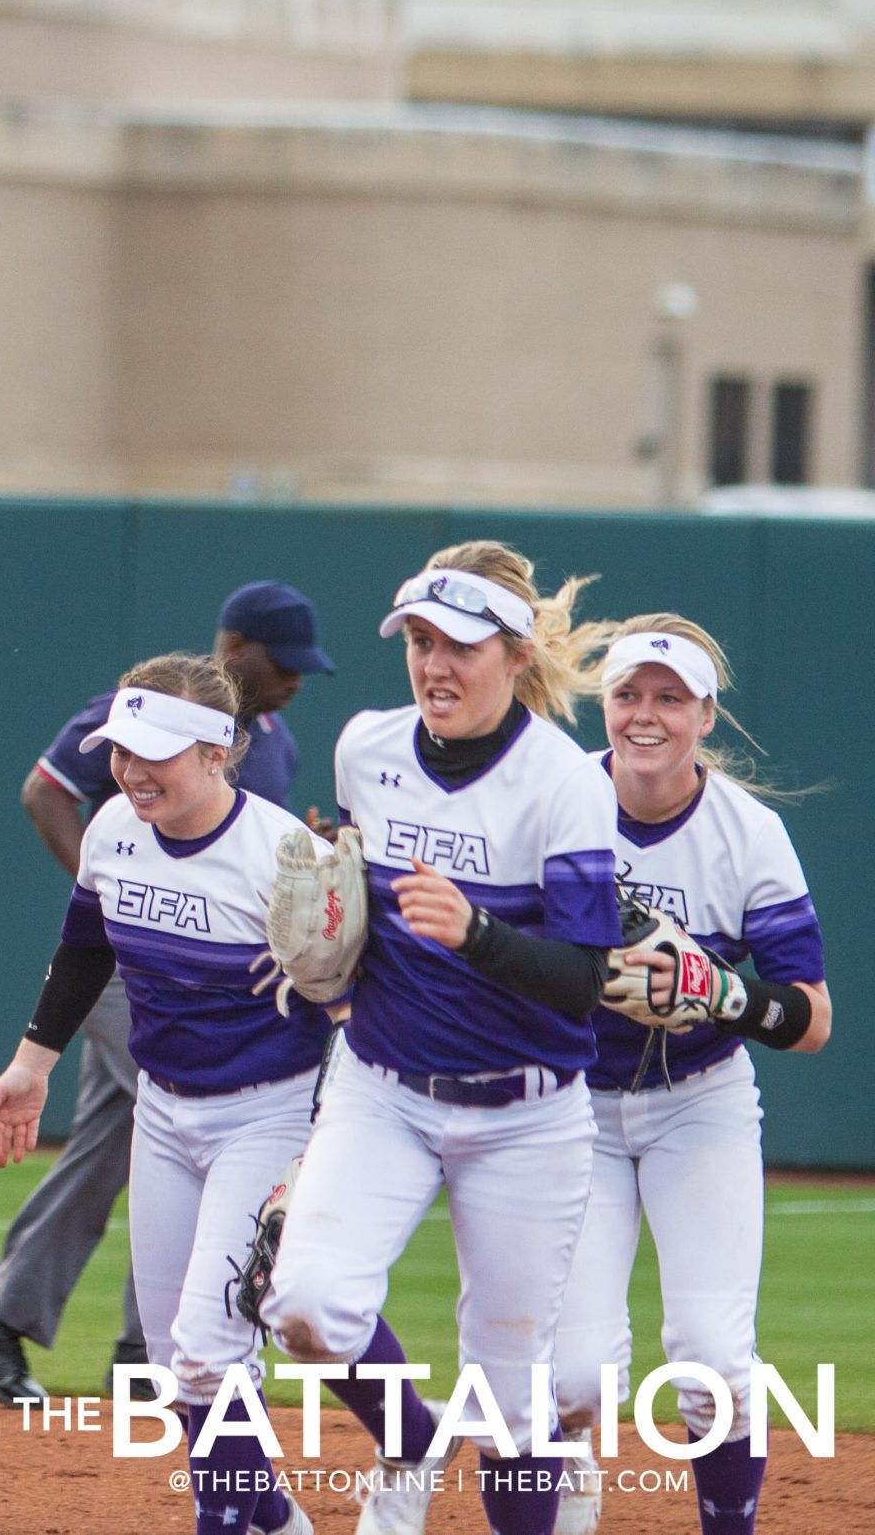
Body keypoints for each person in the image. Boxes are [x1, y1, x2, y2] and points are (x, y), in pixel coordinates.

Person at [260, 543, 617, 1535]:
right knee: (303, 1305)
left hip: (527, 1114)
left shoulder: (561, 784)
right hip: (383, 1088)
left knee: (511, 1401)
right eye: (418, 640)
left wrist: (478, 932)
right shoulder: (365, 749)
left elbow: (585, 982)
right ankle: (410, 1435)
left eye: (458, 644)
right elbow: (350, 912)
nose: (433, 664)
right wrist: (322, 951)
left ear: (511, 653)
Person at [0, 581, 334, 1408]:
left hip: (265, 1102)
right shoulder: (117, 829)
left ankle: (390, 1437)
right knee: (175, 1358)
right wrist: (29, 1061)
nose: (127, 769)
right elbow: (83, 943)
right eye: (122, 751)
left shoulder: (277, 832)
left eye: (151, 753)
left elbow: (343, 994)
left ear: (213, 753)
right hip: (166, 1077)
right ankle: (262, 1501)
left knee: (207, 1350)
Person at [547, 617, 832, 1535]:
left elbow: (812, 1019)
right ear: (604, 704)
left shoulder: (749, 835)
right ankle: (572, 1482)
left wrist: (724, 992)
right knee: (574, 1375)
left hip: (697, 1106)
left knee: (711, 1356)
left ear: (705, 715)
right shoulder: (555, 800)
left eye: (670, 698)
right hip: (569, 1108)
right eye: (629, 694)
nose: (646, 714)